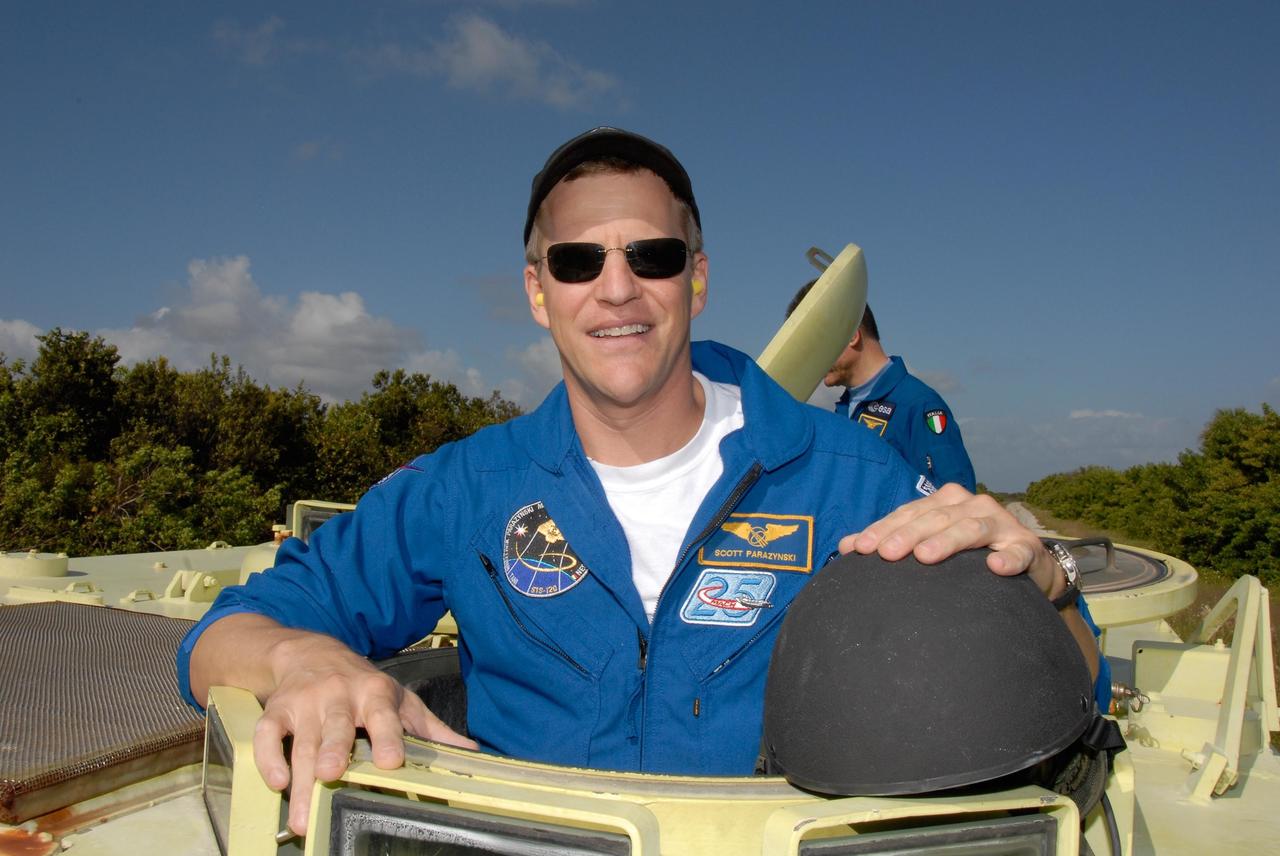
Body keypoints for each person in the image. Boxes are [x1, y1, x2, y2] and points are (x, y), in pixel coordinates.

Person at [178, 127, 1100, 836]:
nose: (616, 289)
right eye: (579, 261)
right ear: (538, 290)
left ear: (695, 281)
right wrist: (305, 659)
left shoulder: (850, 475)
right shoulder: (465, 488)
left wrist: (1046, 585)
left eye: (650, 257)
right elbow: (222, 637)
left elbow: (1074, 683)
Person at [788, 284, 977, 491]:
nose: (810, 359)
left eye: (814, 344)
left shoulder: (919, 405)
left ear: (851, 334)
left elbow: (957, 500)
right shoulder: (844, 410)